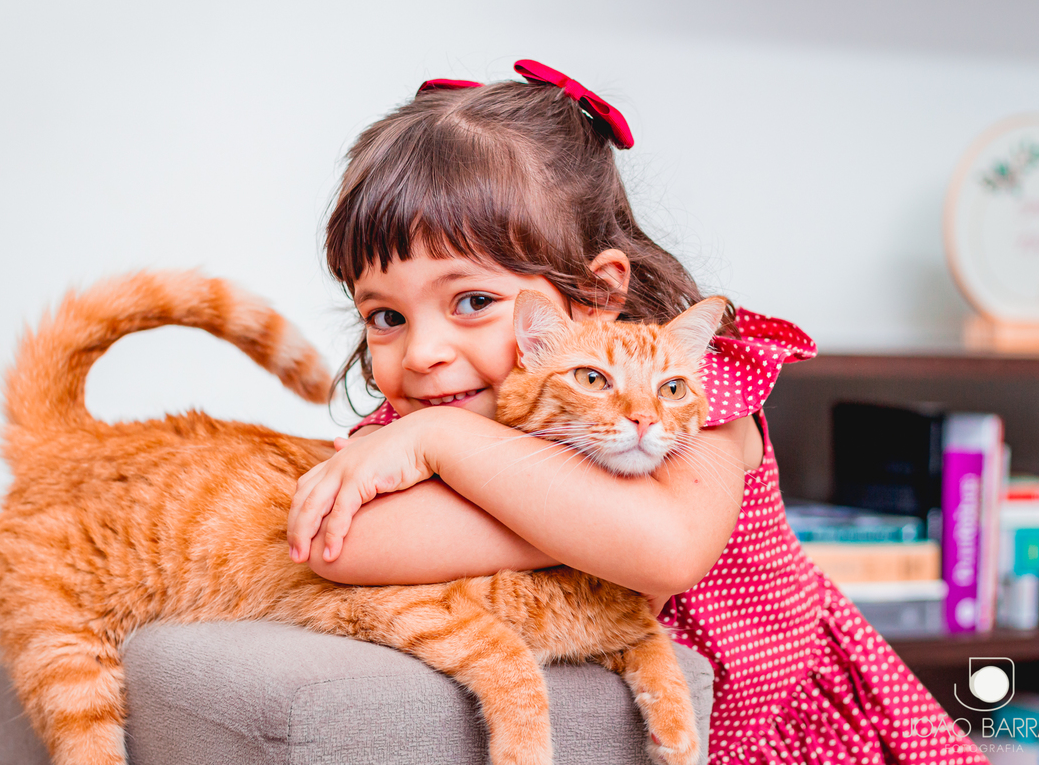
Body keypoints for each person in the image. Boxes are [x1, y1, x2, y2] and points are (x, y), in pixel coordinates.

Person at [285, 59, 987, 765]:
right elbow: (336, 546)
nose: (423, 353)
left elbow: (666, 548)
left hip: (788, 736)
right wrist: (548, 508)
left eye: (472, 301)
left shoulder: (693, 390)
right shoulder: (406, 430)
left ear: (594, 295)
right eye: (385, 316)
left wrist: (445, 441)